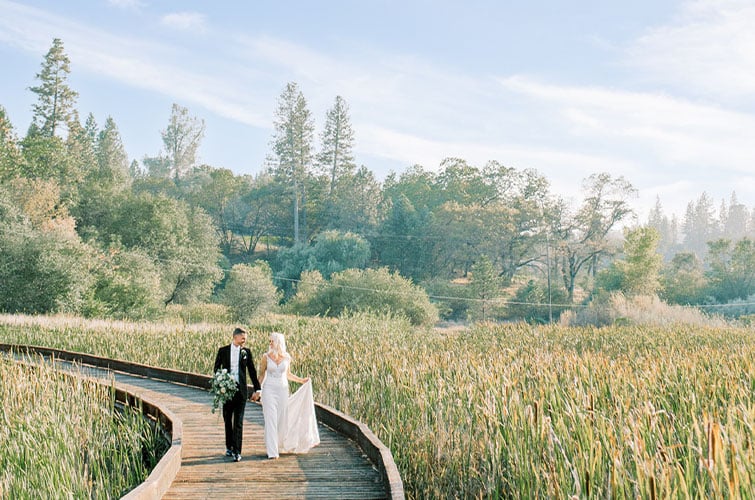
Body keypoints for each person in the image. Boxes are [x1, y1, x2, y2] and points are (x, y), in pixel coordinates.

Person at [258, 332, 320, 459]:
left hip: (282, 390)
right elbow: (261, 375)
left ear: (279, 342)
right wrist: (257, 390)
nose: (270, 343)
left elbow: (288, 374)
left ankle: (279, 444)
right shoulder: (265, 357)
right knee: (270, 419)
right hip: (268, 389)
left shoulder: (287, 357)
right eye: (269, 341)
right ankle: (272, 452)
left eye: (272, 341)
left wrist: (301, 380)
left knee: (281, 420)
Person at [213, 327, 261, 462]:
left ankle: (237, 451)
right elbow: (216, 368)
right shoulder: (223, 351)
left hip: (241, 392)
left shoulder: (246, 352)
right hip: (226, 391)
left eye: (245, 338)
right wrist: (220, 382)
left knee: (238, 422)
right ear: (235, 337)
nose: (245, 340)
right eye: (243, 337)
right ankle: (229, 446)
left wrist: (258, 388)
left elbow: (252, 371)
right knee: (227, 419)